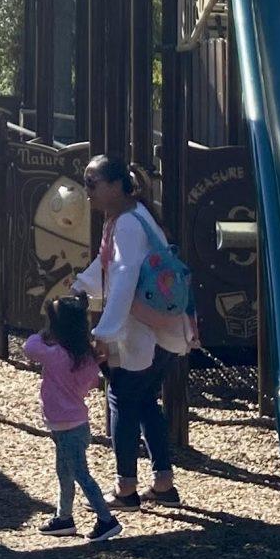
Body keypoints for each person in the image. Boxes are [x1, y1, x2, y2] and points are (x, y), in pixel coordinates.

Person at [71, 153, 197, 508]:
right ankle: (163, 483)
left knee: (122, 401)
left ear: (115, 186)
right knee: (144, 402)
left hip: (141, 333)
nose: (88, 191)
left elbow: (123, 275)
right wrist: (81, 286)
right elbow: (109, 266)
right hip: (162, 330)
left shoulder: (126, 223)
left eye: (92, 184)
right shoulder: (130, 217)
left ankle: (126, 489)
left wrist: (104, 331)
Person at [21, 292, 118, 541]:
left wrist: (44, 334)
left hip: (65, 425)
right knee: (64, 471)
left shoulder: (55, 355)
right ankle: (64, 517)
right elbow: (88, 383)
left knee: (80, 474)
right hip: (74, 422)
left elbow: (29, 346)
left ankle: (106, 519)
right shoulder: (85, 357)